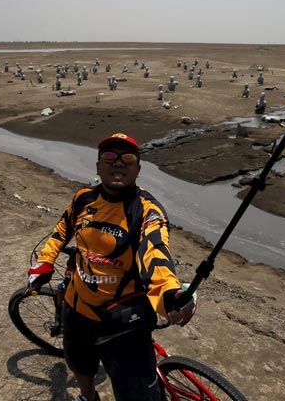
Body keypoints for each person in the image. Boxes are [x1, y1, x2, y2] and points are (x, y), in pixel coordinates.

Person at [27, 133, 196, 401]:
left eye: (127, 158)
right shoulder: (83, 199)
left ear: (138, 169)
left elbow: (155, 252)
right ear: (97, 166)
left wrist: (168, 294)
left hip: (122, 321)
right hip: (76, 307)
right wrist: (46, 261)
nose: (118, 163)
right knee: (79, 363)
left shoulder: (147, 211)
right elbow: (62, 230)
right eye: (109, 157)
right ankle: (87, 397)